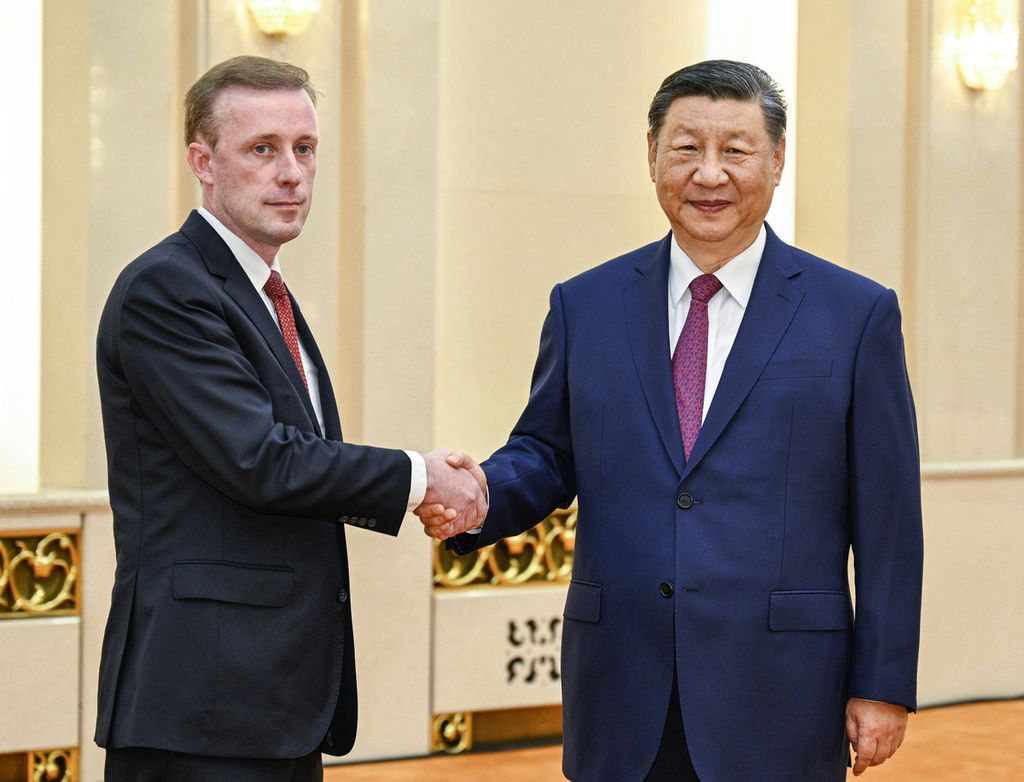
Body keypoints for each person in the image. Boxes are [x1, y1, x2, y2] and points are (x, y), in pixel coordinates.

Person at [420, 60, 923, 782]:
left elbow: (890, 521)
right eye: (686, 148)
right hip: (623, 689)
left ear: (777, 161)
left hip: (782, 692)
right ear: (651, 154)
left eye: (736, 150)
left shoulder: (855, 315)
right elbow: (546, 452)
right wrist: (482, 496)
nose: (709, 174)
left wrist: (882, 683)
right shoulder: (585, 305)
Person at [94, 55, 485, 782]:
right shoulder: (167, 289)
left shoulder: (263, 290)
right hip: (202, 702)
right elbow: (261, 460)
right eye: (262, 149)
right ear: (202, 162)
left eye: (305, 149)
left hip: (271, 698)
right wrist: (418, 476)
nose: (292, 173)